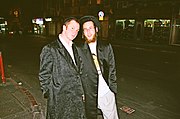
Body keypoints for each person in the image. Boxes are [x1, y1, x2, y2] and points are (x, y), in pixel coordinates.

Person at [39, 17, 86, 119]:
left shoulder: (75, 48)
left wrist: (81, 91)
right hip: (59, 100)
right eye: (72, 28)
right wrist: (52, 94)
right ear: (64, 28)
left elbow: (79, 71)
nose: (75, 32)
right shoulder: (50, 49)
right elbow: (44, 75)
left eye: (77, 30)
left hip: (76, 99)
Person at [76, 15, 120, 119]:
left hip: (105, 92)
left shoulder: (106, 47)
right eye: (85, 29)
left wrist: (112, 90)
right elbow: (77, 72)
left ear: (96, 29)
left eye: (90, 28)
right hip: (89, 93)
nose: (88, 31)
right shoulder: (78, 49)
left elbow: (112, 69)